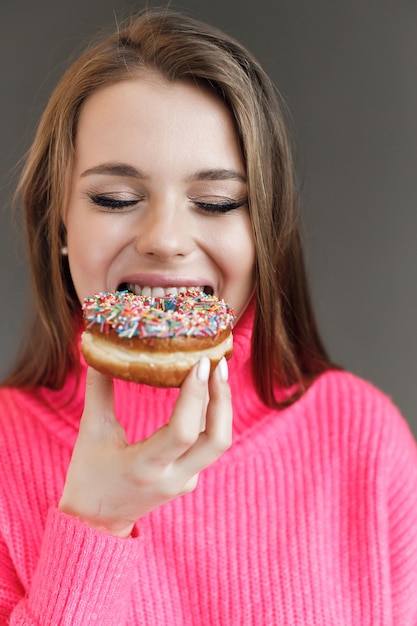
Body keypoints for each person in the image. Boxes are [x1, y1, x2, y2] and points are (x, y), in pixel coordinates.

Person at [0, 8, 416, 625]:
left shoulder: (360, 436)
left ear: (264, 233)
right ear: (60, 223)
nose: (165, 239)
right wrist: (94, 520)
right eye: (115, 197)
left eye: (216, 202)